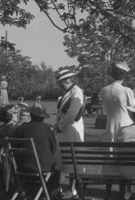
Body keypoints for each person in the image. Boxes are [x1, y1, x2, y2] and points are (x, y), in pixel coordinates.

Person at [101, 61, 135, 200]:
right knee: (124, 159)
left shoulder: (104, 90)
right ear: (124, 76)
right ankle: (123, 192)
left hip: (110, 126)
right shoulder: (126, 90)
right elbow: (133, 109)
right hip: (125, 125)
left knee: (109, 158)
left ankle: (108, 193)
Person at [15, 104, 61, 199]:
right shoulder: (49, 128)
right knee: (55, 169)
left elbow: (16, 146)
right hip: (43, 166)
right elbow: (53, 148)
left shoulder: (21, 128)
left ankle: (30, 192)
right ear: (43, 117)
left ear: (31, 116)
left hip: (24, 166)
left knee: (41, 167)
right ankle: (49, 194)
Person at [54, 67, 84, 198]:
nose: (59, 83)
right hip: (64, 128)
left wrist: (60, 126)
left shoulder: (76, 91)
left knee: (72, 158)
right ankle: (59, 188)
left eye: (60, 81)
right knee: (62, 157)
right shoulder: (68, 92)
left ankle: (73, 189)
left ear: (67, 79)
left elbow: (72, 113)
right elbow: (61, 112)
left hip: (72, 128)